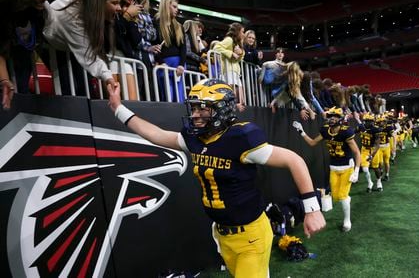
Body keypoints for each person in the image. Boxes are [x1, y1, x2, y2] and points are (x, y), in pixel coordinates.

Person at [106, 78, 326, 277]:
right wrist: (118, 109)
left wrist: (312, 209)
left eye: (202, 109)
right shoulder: (195, 139)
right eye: (193, 109)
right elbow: (156, 134)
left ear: (221, 110)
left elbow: (294, 160)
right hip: (222, 234)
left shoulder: (240, 137)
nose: (195, 115)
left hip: (250, 235)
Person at [292, 107, 361, 232]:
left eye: (334, 116)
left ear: (340, 119)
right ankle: (346, 199)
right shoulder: (325, 130)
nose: (331, 119)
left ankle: (347, 220)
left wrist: (356, 171)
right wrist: (301, 132)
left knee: (342, 196)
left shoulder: (346, 132)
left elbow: (356, 152)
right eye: (329, 116)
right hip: (334, 167)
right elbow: (312, 143)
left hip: (347, 167)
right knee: (335, 196)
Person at [43, 0, 122, 94]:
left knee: (85, 89)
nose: (120, 8)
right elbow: (89, 56)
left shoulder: (90, 10)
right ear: (100, 3)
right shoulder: (72, 16)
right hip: (51, 44)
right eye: (114, 3)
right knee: (69, 89)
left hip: (70, 45)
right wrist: (108, 77)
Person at [153, 0, 186, 102]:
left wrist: (181, 64)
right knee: (168, 95)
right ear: (166, 6)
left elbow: (183, 47)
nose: (177, 9)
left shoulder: (179, 26)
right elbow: (154, 46)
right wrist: (161, 62)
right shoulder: (156, 23)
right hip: (164, 64)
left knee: (179, 96)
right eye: (174, 7)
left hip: (178, 64)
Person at [214, 23, 246, 111]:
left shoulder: (237, 43)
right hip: (228, 71)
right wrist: (231, 53)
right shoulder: (229, 40)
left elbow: (240, 59)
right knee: (230, 94)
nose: (244, 34)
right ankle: (231, 108)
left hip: (235, 72)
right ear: (237, 32)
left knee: (240, 97)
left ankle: (235, 107)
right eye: (242, 32)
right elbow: (216, 47)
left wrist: (240, 53)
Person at [353, 112, 381, 193]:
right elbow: (352, 133)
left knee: (376, 168)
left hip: (373, 149)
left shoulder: (376, 130)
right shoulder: (361, 127)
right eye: (367, 121)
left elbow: (377, 145)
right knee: (365, 169)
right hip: (364, 150)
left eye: (370, 121)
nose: (368, 122)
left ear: (373, 121)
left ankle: (378, 182)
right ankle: (370, 183)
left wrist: (372, 155)